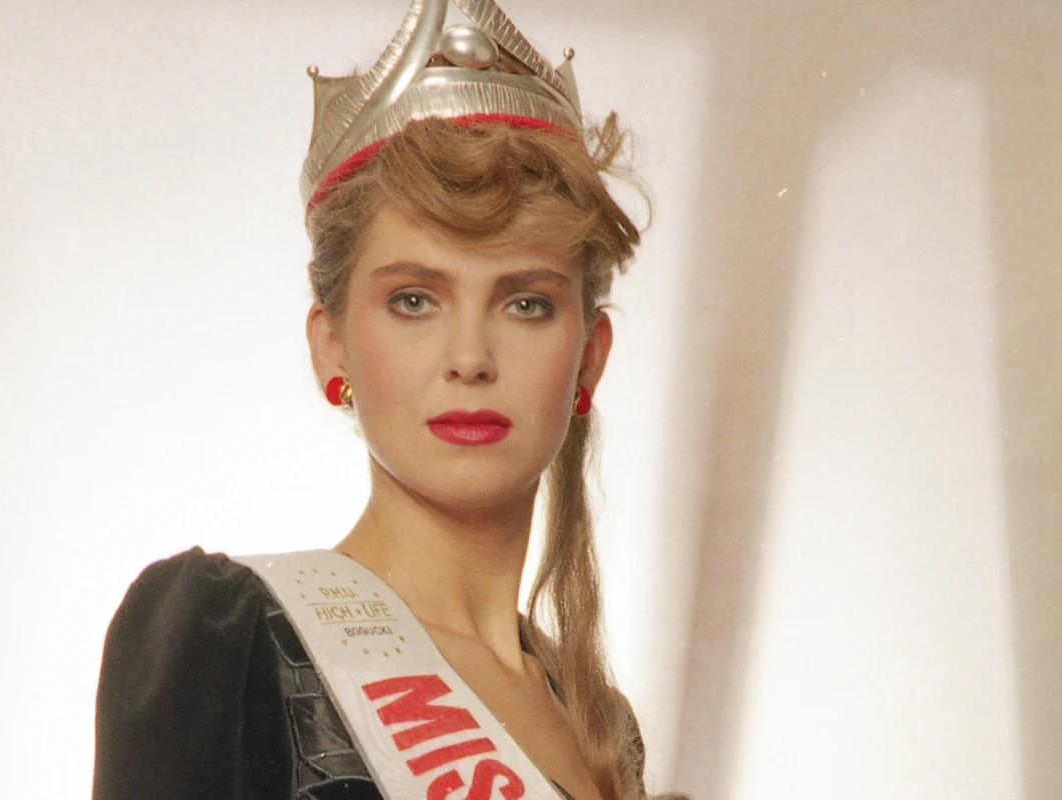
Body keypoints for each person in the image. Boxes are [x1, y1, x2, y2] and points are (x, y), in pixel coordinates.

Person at [94, 2, 672, 798]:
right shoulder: (233, 643)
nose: (470, 359)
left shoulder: (601, 728)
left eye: (526, 303)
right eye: (414, 300)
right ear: (330, 344)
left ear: (590, 358)